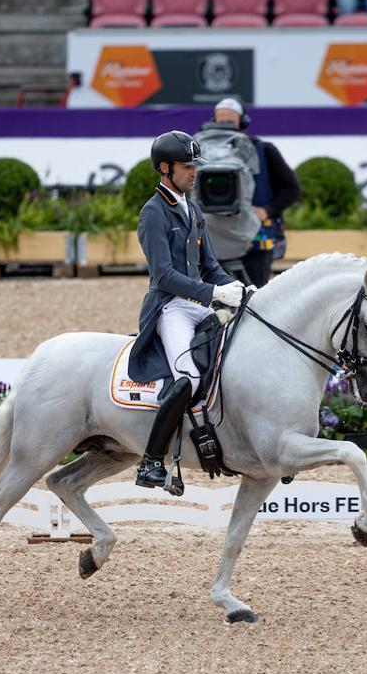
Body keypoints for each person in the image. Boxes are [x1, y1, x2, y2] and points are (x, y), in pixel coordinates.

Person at [129, 131, 245, 492]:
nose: (194, 172)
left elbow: (210, 266)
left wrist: (238, 288)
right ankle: (150, 462)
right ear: (165, 168)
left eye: (195, 164)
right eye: (187, 166)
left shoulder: (192, 210)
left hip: (199, 305)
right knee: (189, 378)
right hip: (170, 309)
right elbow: (163, 274)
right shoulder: (153, 213)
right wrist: (214, 293)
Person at [209, 98, 301, 288]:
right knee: (219, 297)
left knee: (256, 297)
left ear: (243, 123)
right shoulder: (204, 153)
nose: (225, 127)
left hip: (257, 238)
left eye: (230, 122)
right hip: (216, 236)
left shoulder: (263, 150)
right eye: (220, 122)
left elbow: (292, 189)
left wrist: (267, 210)